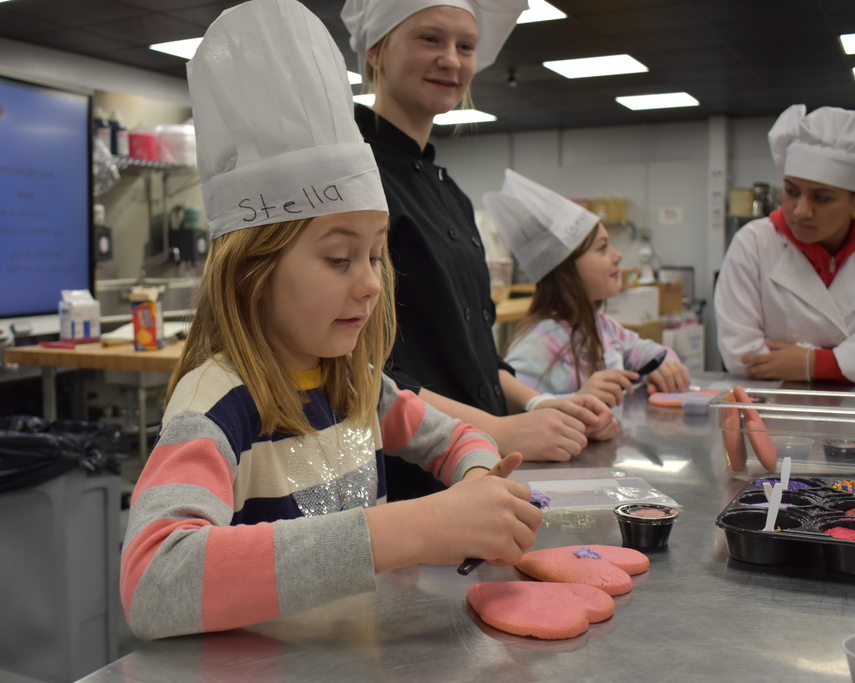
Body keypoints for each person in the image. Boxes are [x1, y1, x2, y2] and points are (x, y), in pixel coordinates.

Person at [120, 0, 542, 640]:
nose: (371, 282)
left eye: (375, 256)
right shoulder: (217, 407)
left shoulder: (356, 386)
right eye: (340, 257)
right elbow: (154, 581)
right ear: (252, 269)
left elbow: (457, 439)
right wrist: (413, 529)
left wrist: (477, 487)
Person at [341, 0, 614, 494]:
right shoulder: (354, 177)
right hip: (406, 475)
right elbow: (360, 369)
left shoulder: (453, 196)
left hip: (476, 464)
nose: (452, 59)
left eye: (465, 46)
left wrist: (537, 406)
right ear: (376, 51)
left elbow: (474, 351)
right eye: (430, 39)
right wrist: (501, 429)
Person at [487, 170, 691, 409]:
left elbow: (643, 350)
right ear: (566, 269)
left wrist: (662, 363)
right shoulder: (541, 342)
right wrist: (576, 399)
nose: (618, 256)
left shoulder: (601, 326)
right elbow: (507, 409)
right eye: (603, 248)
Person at [715, 104, 855, 383]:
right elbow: (740, 353)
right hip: (773, 409)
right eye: (791, 192)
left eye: (822, 198)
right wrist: (844, 360)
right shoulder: (754, 243)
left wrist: (811, 363)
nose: (801, 211)